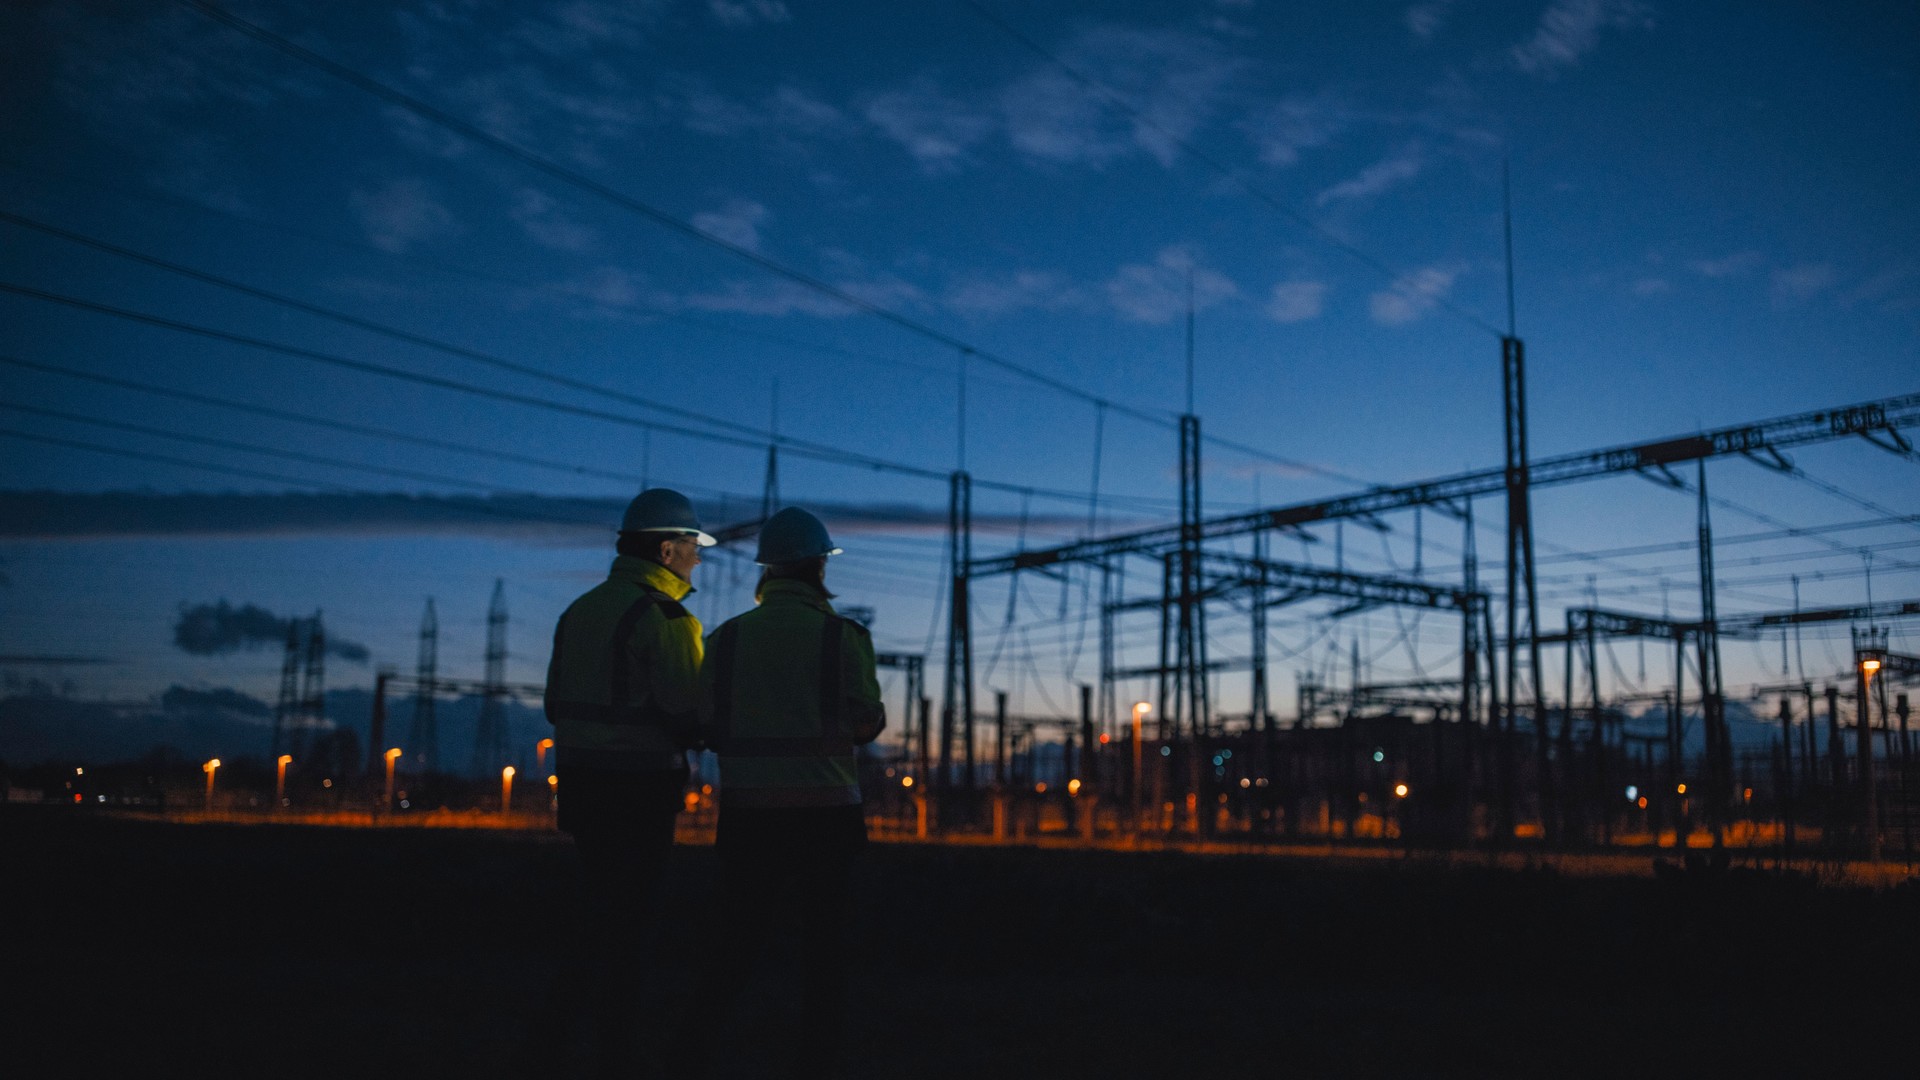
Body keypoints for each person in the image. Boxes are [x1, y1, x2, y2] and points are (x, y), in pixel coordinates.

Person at [676, 506, 886, 1079]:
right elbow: (867, 722)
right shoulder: (845, 637)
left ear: (767, 571)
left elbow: (705, 723)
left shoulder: (725, 640)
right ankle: (818, 1058)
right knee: (824, 950)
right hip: (827, 818)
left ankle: (696, 1048)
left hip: (750, 816)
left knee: (735, 943)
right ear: (819, 567)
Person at [540, 487, 714, 1075]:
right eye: (692, 546)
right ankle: (616, 1044)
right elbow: (689, 714)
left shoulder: (579, 612)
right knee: (632, 923)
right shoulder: (667, 618)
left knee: (595, 911)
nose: (698, 557)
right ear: (666, 550)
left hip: (583, 785)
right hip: (640, 790)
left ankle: (559, 1032)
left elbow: (552, 704)